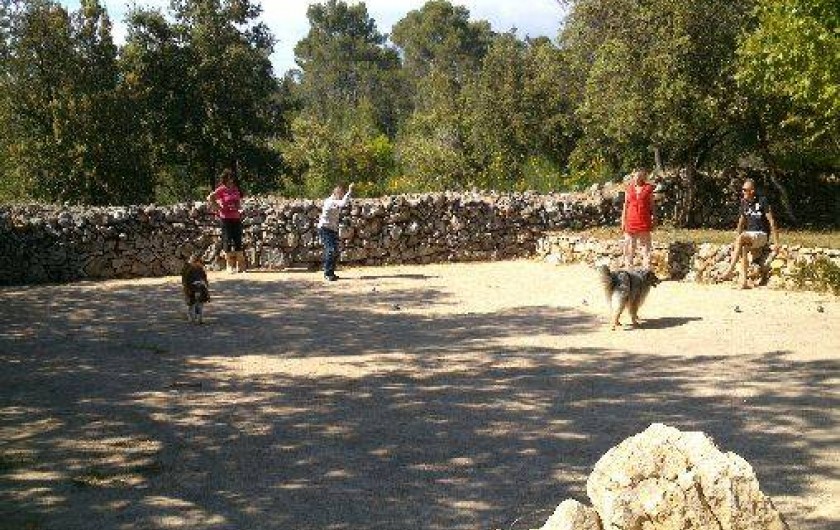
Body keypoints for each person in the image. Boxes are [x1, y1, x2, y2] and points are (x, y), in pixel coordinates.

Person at [720, 178, 779, 289]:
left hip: (761, 234)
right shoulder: (744, 203)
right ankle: (743, 282)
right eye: (742, 190)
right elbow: (741, 222)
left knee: (743, 237)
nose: (742, 192)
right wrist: (736, 239)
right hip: (750, 236)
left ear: (752, 191)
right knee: (743, 248)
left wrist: (776, 242)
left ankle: (730, 270)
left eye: (745, 190)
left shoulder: (762, 201)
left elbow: (772, 221)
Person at [207, 168, 245, 273]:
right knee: (227, 240)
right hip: (225, 218)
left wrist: (239, 208)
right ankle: (229, 265)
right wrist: (218, 207)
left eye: (231, 178)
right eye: (228, 178)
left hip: (236, 217)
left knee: (238, 240)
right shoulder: (221, 189)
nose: (230, 180)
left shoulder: (236, 189)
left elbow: (238, 202)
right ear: (224, 179)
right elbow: (210, 197)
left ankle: (240, 265)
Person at [621, 167, 656, 269]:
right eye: (634, 176)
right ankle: (628, 269)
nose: (635, 178)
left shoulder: (648, 188)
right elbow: (625, 205)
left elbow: (652, 205)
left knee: (645, 247)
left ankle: (647, 269)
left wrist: (654, 217)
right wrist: (623, 220)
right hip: (630, 221)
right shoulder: (629, 188)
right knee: (629, 247)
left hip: (644, 220)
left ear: (642, 177)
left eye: (638, 176)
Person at [318, 182, 354, 281]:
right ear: (336, 193)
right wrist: (349, 191)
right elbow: (343, 203)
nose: (342, 196)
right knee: (331, 250)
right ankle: (327, 273)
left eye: (343, 194)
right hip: (325, 229)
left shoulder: (335, 202)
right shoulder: (330, 201)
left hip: (332, 229)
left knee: (335, 251)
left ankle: (331, 273)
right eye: (341, 194)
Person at [181, 253, 209, 324]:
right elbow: (185, 281)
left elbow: (205, 279)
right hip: (191, 288)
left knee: (200, 303)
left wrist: (205, 286)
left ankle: (199, 319)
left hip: (200, 287)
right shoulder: (187, 269)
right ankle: (192, 318)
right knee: (192, 303)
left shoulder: (201, 269)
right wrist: (187, 289)